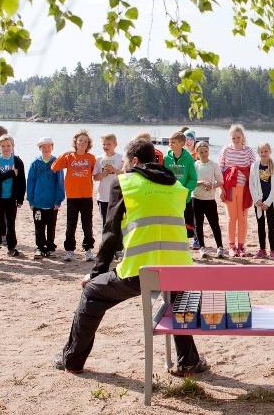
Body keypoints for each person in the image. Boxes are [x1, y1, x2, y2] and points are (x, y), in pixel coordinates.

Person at [54, 138, 208, 377]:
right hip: (178, 271)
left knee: (92, 293)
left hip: (139, 271)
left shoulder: (124, 183)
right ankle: (188, 361)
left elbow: (111, 234)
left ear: (134, 160)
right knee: (176, 300)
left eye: (125, 161)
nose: (123, 166)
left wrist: (95, 274)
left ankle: (72, 360)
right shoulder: (177, 186)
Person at [52, 130, 97, 262]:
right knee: (71, 225)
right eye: (80, 141)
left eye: (85, 141)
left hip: (87, 197)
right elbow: (54, 168)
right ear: (75, 143)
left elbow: (96, 175)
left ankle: (88, 250)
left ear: (88, 144)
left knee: (87, 225)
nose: (82, 143)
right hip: (72, 197)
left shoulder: (91, 158)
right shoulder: (69, 157)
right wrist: (65, 153)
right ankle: (70, 251)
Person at [219, 124, 256, 257]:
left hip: (244, 188)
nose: (236, 139)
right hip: (229, 188)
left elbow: (254, 170)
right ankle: (231, 246)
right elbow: (220, 170)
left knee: (243, 218)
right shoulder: (226, 150)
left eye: (238, 137)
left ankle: (241, 246)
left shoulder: (249, 151)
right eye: (233, 137)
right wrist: (221, 188)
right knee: (231, 218)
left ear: (243, 137)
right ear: (231, 137)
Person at [0, 134, 26, 260]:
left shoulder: (18, 161)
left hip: (11, 198)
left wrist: (20, 199)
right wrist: (10, 173)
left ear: (13, 146)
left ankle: (11, 248)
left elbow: (21, 182)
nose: (6, 148)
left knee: (11, 224)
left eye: (8, 145)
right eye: (3, 146)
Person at [26, 137, 65, 258]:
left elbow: (60, 183)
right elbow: (30, 182)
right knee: (39, 226)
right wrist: (31, 200)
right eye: (43, 146)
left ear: (52, 147)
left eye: (48, 146)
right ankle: (40, 248)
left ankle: (50, 247)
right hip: (38, 203)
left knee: (51, 226)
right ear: (40, 148)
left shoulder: (56, 163)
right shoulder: (35, 163)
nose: (46, 149)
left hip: (52, 203)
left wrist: (58, 200)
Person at [164, 131, 198, 250]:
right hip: (170, 196)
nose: (170, 144)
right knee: (171, 221)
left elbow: (193, 178)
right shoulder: (166, 158)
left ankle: (185, 244)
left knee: (186, 222)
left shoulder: (189, 159)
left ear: (182, 144)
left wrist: (185, 190)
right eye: (169, 142)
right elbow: (163, 175)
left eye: (173, 142)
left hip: (184, 197)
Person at [192, 141, 224, 258]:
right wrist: (201, 183)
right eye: (201, 152)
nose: (204, 154)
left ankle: (220, 247)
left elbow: (221, 181)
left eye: (206, 151)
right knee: (198, 225)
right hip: (196, 198)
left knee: (214, 224)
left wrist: (212, 186)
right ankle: (202, 248)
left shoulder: (214, 165)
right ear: (197, 153)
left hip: (210, 199)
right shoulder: (195, 165)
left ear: (208, 151)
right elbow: (191, 181)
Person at [249, 142, 274, 260]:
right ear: (258, 153)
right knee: (260, 225)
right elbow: (251, 184)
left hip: (270, 202)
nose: (263, 153)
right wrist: (257, 200)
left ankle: (273, 250)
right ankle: (262, 249)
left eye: (266, 151)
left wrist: (268, 202)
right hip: (258, 202)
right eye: (261, 152)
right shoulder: (254, 166)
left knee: (271, 225)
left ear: (270, 152)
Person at [93, 134, 123, 244]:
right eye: (104, 144)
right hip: (103, 197)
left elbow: (125, 174)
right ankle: (106, 245)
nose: (106, 146)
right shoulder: (99, 159)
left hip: (117, 196)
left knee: (117, 222)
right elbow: (95, 177)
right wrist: (103, 174)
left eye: (108, 144)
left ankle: (118, 248)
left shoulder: (121, 158)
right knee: (105, 223)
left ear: (115, 145)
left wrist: (115, 170)